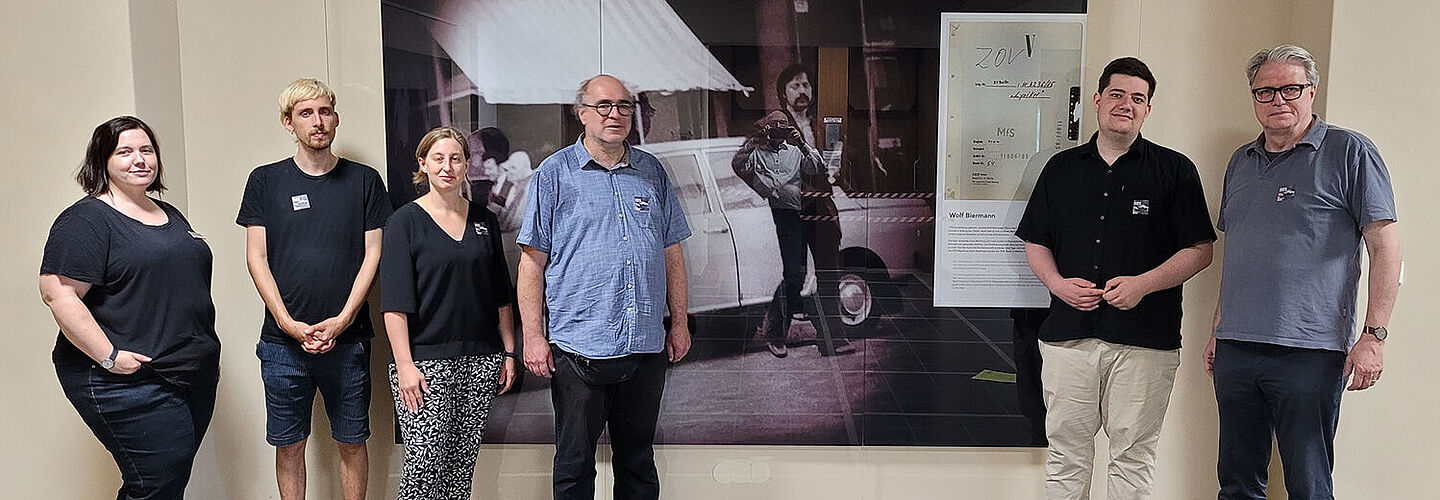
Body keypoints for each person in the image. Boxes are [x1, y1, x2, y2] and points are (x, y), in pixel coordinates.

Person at [1015, 57, 1216, 499]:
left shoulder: (1175, 171)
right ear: (1098, 100)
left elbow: (1201, 250)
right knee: (1066, 459)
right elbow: (1035, 242)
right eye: (1118, 94)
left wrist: (1143, 284)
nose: (1126, 104)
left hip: (1145, 344)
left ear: (1148, 110)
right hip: (1069, 339)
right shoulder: (1060, 169)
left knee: (1132, 459)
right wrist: (1057, 284)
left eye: (1138, 98)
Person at [1206, 45, 1401, 500]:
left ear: (1311, 91)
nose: (1278, 101)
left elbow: (1385, 248)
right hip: (1236, 348)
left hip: (1309, 352)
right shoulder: (1240, 161)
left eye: (1290, 89)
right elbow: (1240, 252)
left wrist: (1374, 335)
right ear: (1254, 99)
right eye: (1265, 92)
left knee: (1309, 484)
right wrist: (1218, 328)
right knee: (1236, 482)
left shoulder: (1349, 151)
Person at [517, 74, 691, 500]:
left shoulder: (651, 171)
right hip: (578, 350)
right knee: (575, 467)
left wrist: (680, 324)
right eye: (604, 106)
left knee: (637, 463)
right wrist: (534, 336)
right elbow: (531, 263)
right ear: (581, 113)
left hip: (644, 346)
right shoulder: (553, 174)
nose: (615, 115)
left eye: (624, 106)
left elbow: (672, 254)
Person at [40, 116, 222, 500]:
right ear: (102, 160)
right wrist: (110, 357)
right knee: (155, 483)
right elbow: (58, 293)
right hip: (129, 379)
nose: (139, 160)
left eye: (146, 150)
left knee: (169, 481)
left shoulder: (168, 213)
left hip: (189, 373)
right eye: (124, 152)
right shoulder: (87, 219)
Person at [237, 78, 390, 500]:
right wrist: (287, 323)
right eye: (306, 113)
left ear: (336, 118)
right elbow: (256, 258)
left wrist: (342, 321)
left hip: (349, 340)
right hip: (282, 344)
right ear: (289, 122)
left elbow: (372, 254)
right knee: (289, 444)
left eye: (325, 112)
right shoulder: (265, 181)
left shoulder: (364, 180)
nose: (318, 121)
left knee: (352, 441)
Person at [380, 126, 518, 499]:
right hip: (424, 364)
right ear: (423, 164)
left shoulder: (484, 220)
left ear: (466, 165)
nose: (447, 166)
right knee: (424, 471)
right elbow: (393, 304)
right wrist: (404, 365)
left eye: (455, 158)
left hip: (480, 359)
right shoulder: (403, 223)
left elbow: (501, 294)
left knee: (459, 469)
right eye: (438, 158)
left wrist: (508, 352)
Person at [731, 110, 824, 357]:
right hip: (785, 215)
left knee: (803, 274)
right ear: (767, 128)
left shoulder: (794, 148)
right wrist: (754, 141)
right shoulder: (758, 151)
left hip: (807, 211)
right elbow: (739, 166)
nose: (780, 128)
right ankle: (775, 331)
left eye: (784, 124)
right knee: (794, 274)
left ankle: (789, 316)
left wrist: (801, 142)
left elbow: (816, 167)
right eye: (775, 125)